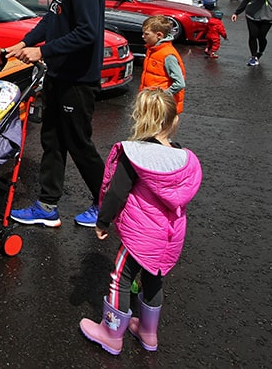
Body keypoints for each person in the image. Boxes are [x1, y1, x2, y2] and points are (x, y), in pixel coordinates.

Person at [78, 88, 202, 356]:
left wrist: (103, 222)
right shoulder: (183, 159)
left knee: (120, 277)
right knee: (154, 277)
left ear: (140, 118)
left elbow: (116, 192)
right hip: (170, 235)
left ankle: (111, 333)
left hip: (140, 235)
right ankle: (148, 333)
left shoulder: (135, 155)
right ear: (173, 121)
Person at [6, 0, 105, 228]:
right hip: (60, 75)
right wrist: (24, 43)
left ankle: (107, 204)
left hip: (78, 78)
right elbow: (51, 21)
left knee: (79, 143)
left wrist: (43, 52)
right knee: (52, 139)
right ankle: (47, 205)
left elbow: (87, 32)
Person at [139, 15, 186, 113]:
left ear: (159, 35)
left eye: (146, 34)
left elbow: (180, 83)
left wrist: (162, 96)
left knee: (158, 128)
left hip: (161, 106)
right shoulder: (152, 49)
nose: (143, 36)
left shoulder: (168, 55)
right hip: (151, 102)